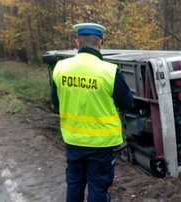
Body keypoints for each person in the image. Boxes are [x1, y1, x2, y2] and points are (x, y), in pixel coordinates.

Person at [51, 22, 133, 202]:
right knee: (98, 186)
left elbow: (55, 104)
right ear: (100, 43)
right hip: (101, 143)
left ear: (77, 42)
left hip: (73, 139)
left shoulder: (60, 68)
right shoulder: (109, 72)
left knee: (74, 183)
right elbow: (127, 103)